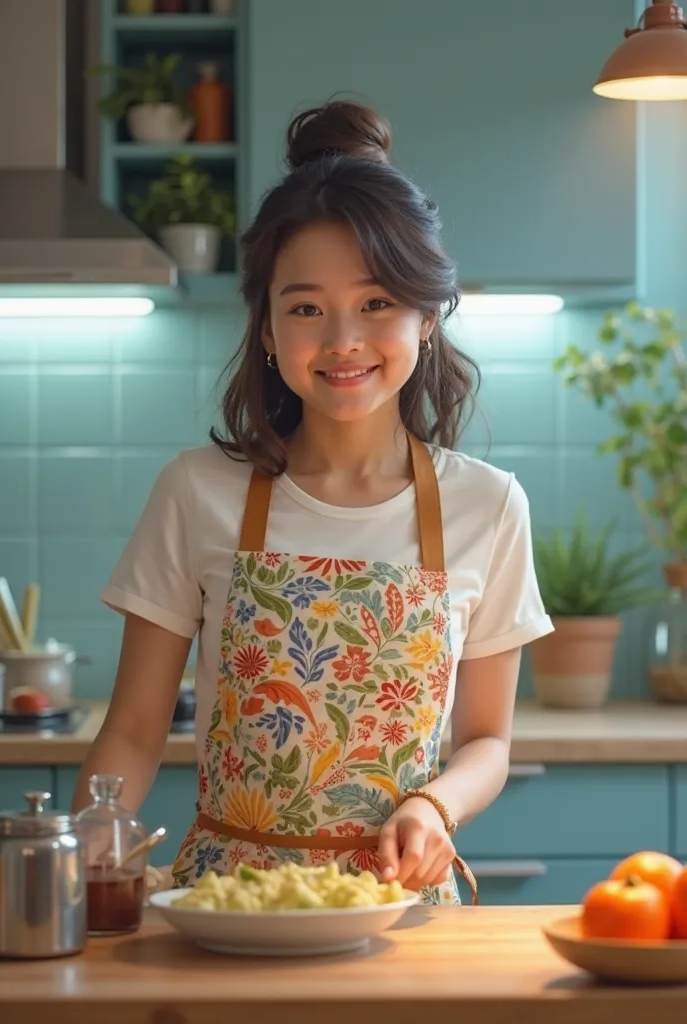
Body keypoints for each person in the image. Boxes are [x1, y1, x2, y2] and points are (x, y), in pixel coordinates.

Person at [72, 100, 553, 905]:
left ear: (426, 318)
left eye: (375, 303)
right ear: (265, 327)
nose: (342, 340)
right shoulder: (197, 491)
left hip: (395, 914)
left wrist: (437, 805)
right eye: (305, 308)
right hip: (228, 909)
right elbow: (131, 729)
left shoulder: (489, 506)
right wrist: (85, 851)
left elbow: (486, 740)